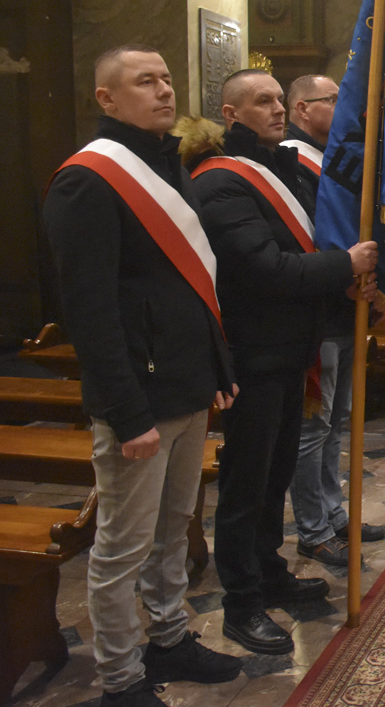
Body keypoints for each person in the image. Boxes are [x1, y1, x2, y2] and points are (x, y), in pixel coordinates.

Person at [44, 44, 241, 706]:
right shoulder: (89, 179)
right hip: (139, 399)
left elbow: (194, 283)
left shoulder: (165, 164)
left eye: (166, 79)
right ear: (106, 98)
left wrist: (217, 367)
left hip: (185, 384)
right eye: (144, 81)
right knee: (122, 549)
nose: (163, 91)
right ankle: (121, 678)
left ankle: (170, 640)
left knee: (174, 529)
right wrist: (128, 415)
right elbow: (91, 313)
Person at [190, 68, 379, 656]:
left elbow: (304, 252)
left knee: (274, 479)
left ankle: (270, 572)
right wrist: (345, 265)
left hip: (291, 349)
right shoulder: (221, 182)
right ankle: (241, 603)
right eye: (262, 101)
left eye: (278, 99)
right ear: (230, 114)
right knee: (246, 485)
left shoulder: (281, 168)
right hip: (252, 354)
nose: (276, 109)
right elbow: (266, 269)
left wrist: (342, 284)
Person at [282, 74, 385, 568]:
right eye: (332, 100)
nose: (344, 107)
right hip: (318, 312)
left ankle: (334, 512)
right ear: (302, 109)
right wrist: (343, 275)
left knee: (337, 421)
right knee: (315, 426)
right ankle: (313, 529)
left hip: (347, 308)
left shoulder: (333, 158)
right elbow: (305, 236)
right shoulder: (290, 161)